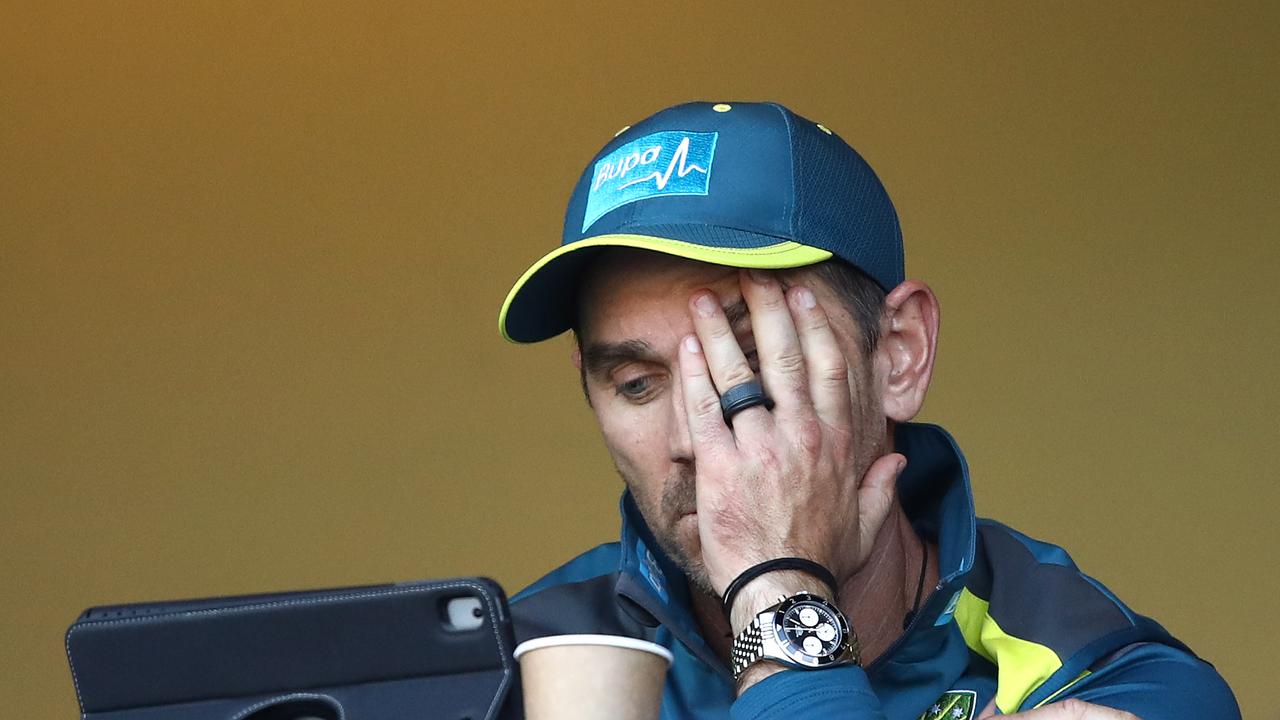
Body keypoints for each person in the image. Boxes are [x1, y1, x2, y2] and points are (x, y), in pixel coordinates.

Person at [497, 101, 1238, 719]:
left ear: (900, 352)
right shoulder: (503, 670)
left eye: (747, 362)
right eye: (636, 383)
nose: (695, 435)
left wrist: (776, 583)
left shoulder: (1102, 675)